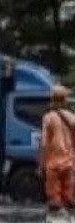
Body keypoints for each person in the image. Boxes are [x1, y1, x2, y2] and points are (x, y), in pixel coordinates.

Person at [40, 84, 75, 214]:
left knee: (54, 199)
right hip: (69, 163)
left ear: (52, 100)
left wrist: (41, 164)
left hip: (53, 164)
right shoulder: (72, 117)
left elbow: (44, 143)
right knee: (69, 198)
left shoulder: (48, 118)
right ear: (65, 100)